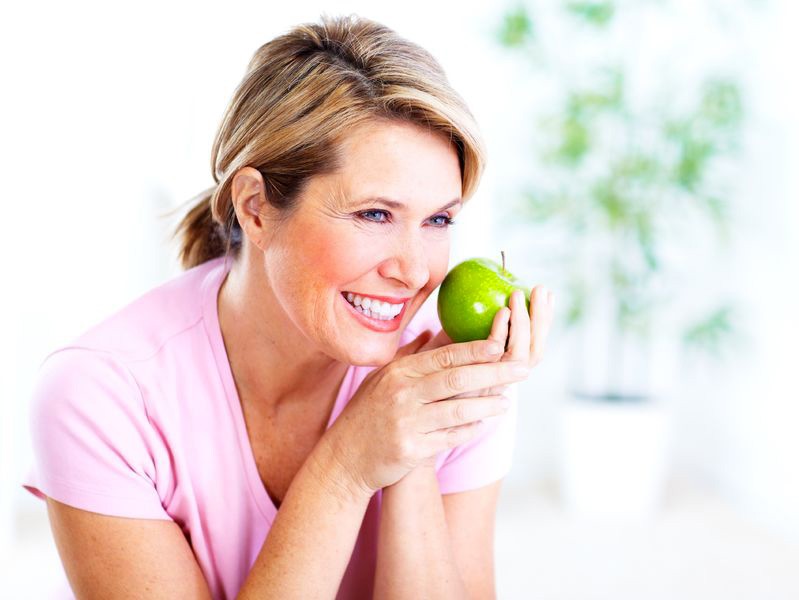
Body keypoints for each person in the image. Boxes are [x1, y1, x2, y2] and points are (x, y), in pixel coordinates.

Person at [23, 15, 554, 600]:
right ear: (255, 208)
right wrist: (347, 465)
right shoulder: (102, 395)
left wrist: (414, 447)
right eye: (374, 214)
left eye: (438, 220)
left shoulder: (454, 371)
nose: (413, 272)